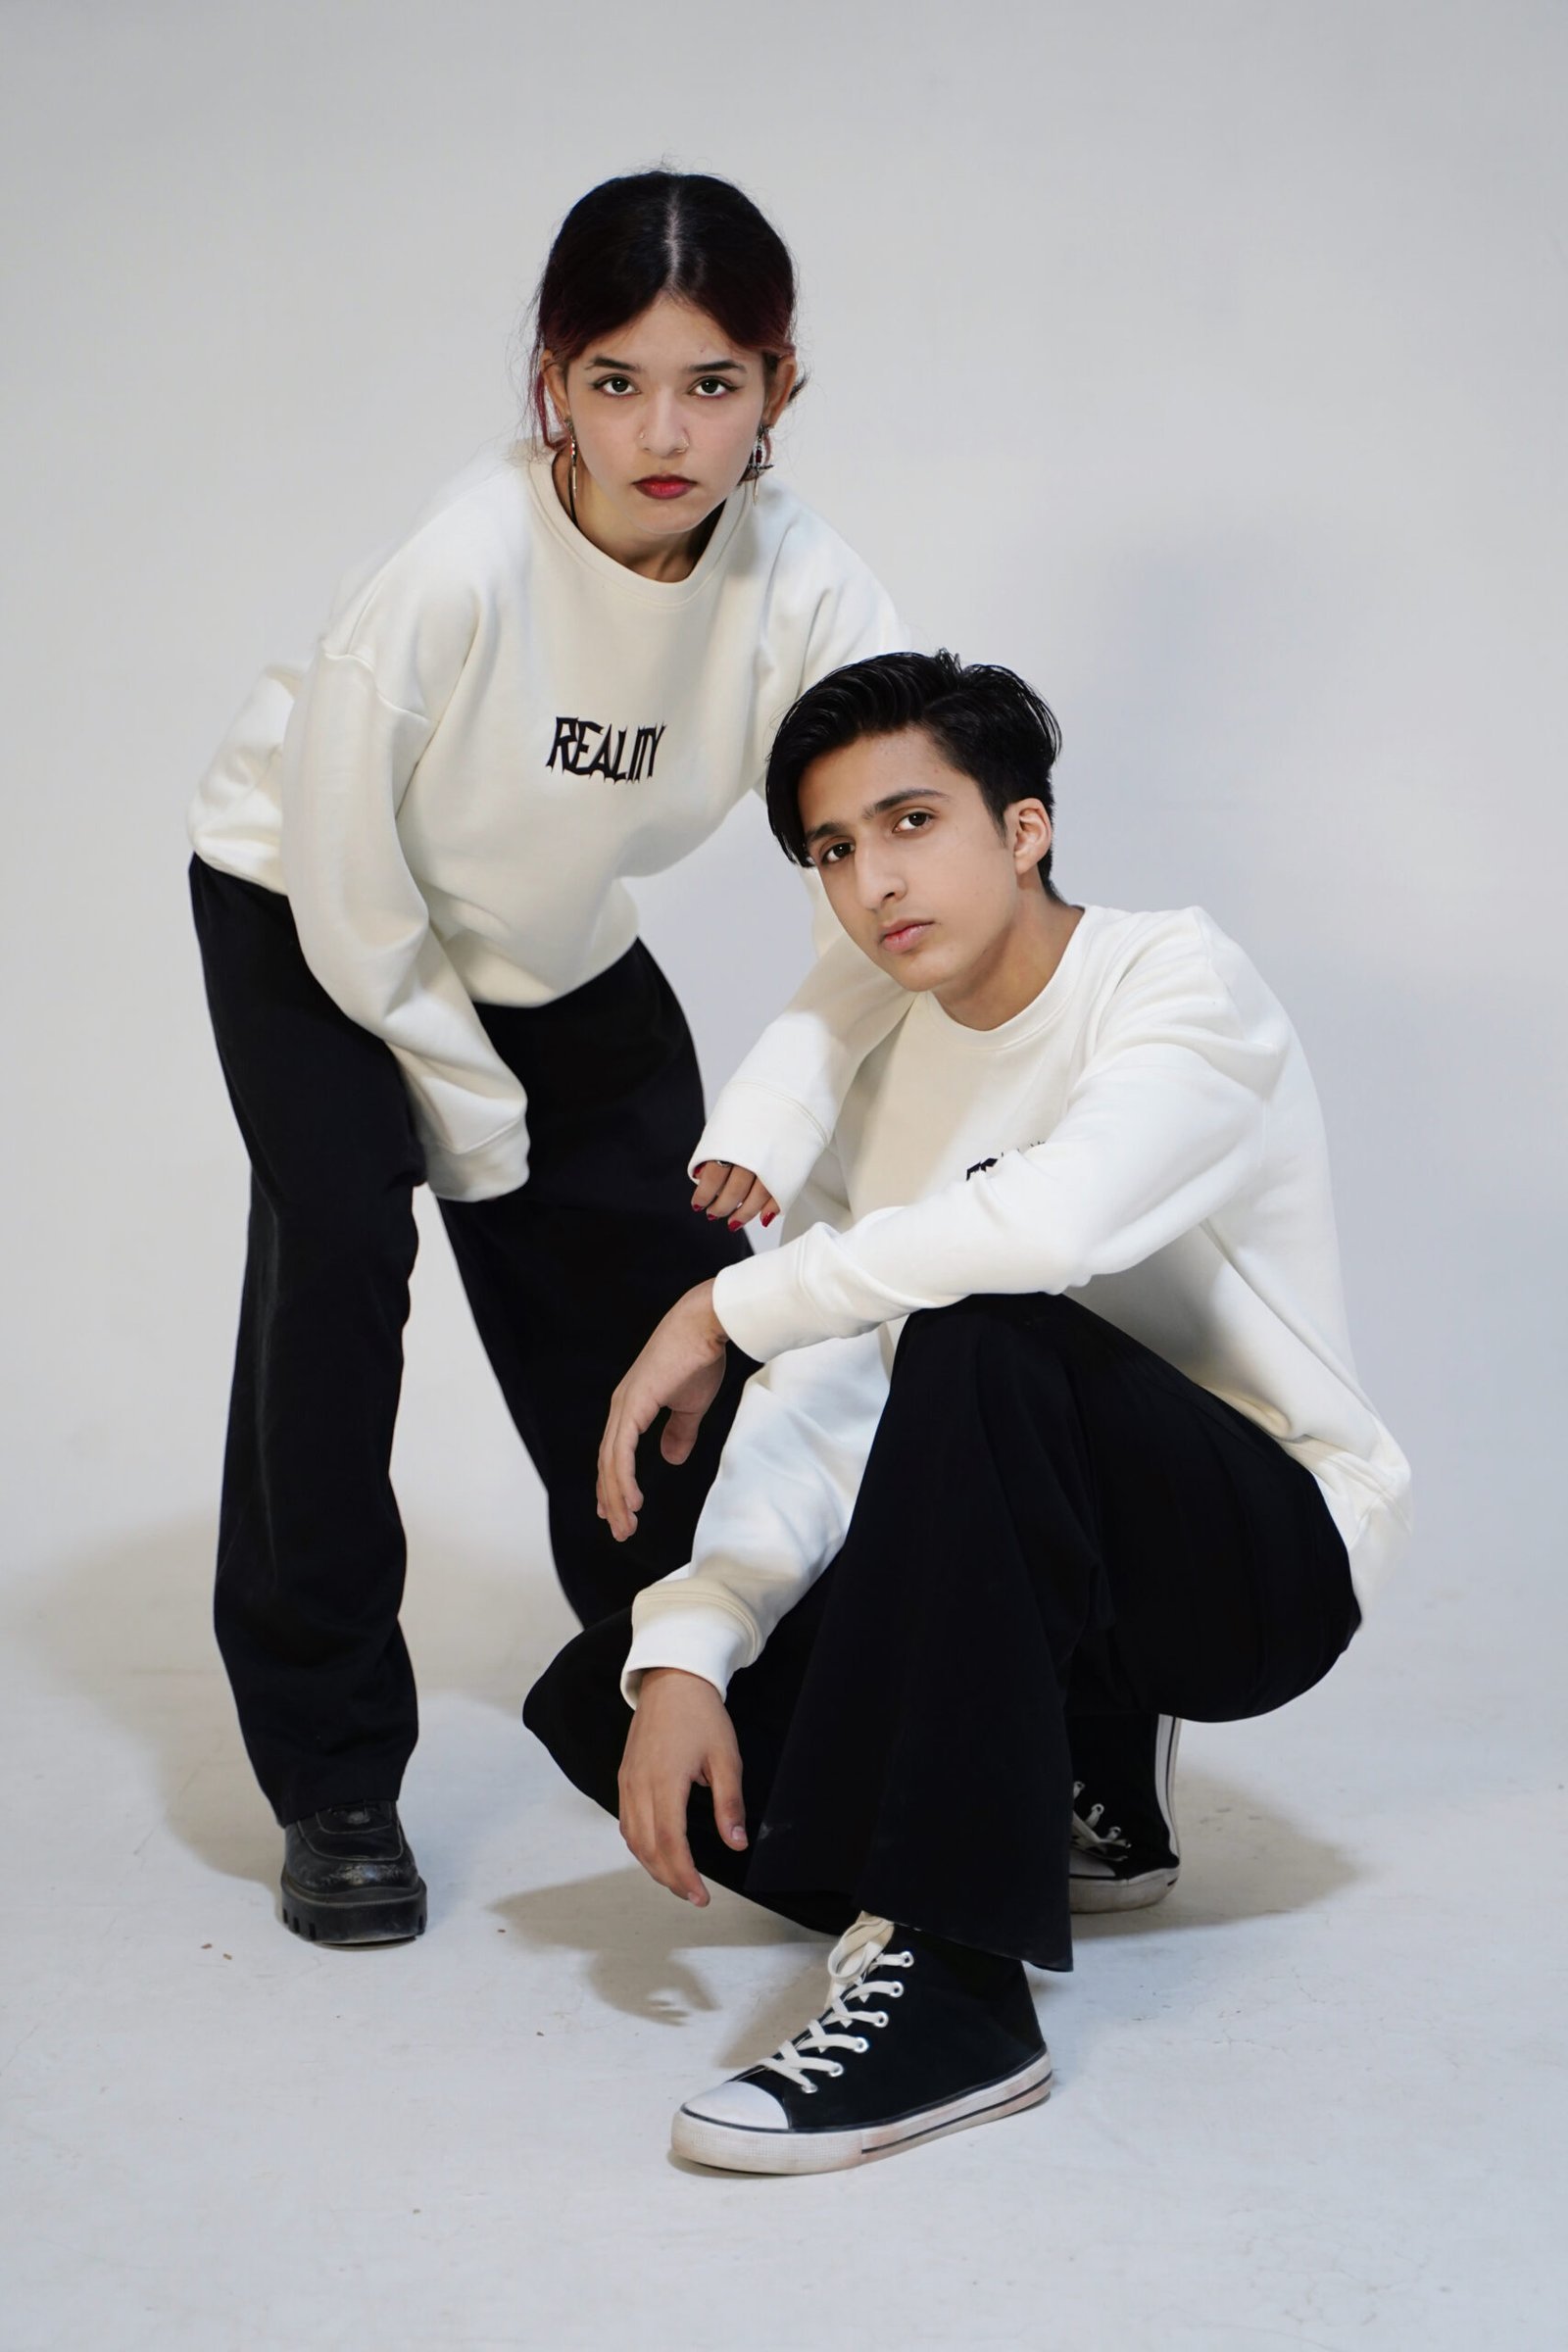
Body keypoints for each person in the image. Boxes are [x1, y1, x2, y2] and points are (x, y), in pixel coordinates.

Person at [524, 649, 1412, 2175]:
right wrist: (694, 1640)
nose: (873, 880)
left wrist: (724, 1305)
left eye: (912, 822)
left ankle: (958, 1992)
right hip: (1041, 1539)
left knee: (986, 1330)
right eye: (834, 849)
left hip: (1259, 1559)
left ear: (1024, 830)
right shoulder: (888, 1060)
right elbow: (828, 1384)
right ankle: (1066, 1767)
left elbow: (1052, 1226)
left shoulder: (1175, 984)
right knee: (605, 1697)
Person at [187, 170, 913, 1945]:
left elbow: (900, 851)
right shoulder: (457, 569)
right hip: (309, 915)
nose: (664, 434)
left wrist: (781, 1113)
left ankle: (709, 1688)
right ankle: (332, 1774)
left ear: (781, 386)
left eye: (713, 383)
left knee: (668, 1309)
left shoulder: (806, 585)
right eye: (615, 381)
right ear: (551, 386)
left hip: (554, 947)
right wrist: (477, 1117)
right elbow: (354, 886)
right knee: (340, 1254)